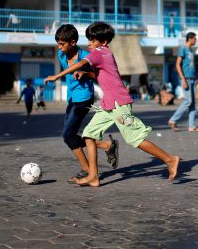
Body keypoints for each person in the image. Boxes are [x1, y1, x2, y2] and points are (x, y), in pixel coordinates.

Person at [44, 21, 180, 186]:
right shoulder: (105, 53)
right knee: (89, 134)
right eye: (89, 40)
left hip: (119, 104)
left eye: (93, 40)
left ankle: (170, 159)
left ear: (103, 42)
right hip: (108, 103)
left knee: (134, 139)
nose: (89, 44)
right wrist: (86, 74)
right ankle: (93, 176)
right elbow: (101, 76)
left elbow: (80, 63)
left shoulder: (99, 52)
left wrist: (56, 76)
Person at [54, 24, 118, 183]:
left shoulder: (87, 56)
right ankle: (105, 145)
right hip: (71, 98)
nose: (59, 47)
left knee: (68, 135)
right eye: (58, 43)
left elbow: (100, 76)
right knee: (69, 136)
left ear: (73, 42)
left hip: (84, 98)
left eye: (62, 43)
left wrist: (85, 73)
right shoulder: (61, 55)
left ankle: (87, 169)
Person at [169, 32, 198, 131]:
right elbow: (178, 65)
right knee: (188, 101)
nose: (196, 40)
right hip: (186, 79)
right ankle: (173, 119)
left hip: (193, 79)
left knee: (193, 103)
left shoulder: (191, 50)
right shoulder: (183, 49)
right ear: (190, 39)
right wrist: (184, 80)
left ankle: (191, 126)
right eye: (195, 38)